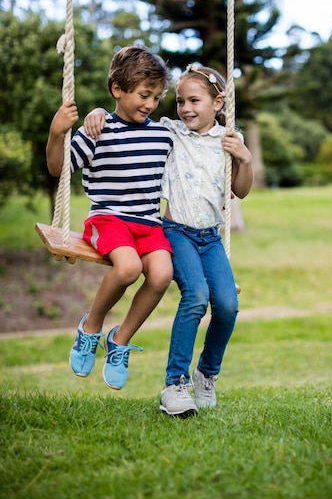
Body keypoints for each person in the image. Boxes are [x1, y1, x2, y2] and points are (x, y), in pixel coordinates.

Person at [84, 63, 253, 415]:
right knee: (196, 296)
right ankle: (175, 384)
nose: (186, 109)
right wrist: (98, 111)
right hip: (175, 231)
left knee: (226, 305)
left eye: (194, 101)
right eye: (179, 102)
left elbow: (241, 190)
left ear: (218, 102)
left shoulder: (228, 142)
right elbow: (127, 120)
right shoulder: (169, 132)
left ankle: (206, 373)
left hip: (211, 237)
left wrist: (245, 159)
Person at [46, 45, 174, 390]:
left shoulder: (163, 135)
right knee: (129, 268)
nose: (150, 104)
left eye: (157, 97)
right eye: (144, 95)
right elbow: (59, 169)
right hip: (109, 220)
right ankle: (91, 327)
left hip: (148, 224)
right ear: (118, 89)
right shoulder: (97, 130)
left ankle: (120, 339)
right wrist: (58, 133)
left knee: (162, 274)